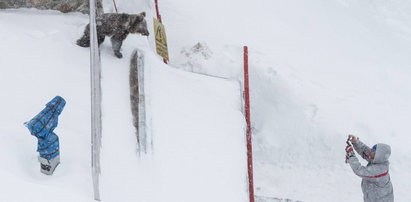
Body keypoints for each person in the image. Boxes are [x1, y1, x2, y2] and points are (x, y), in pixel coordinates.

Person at [345, 134, 394, 202]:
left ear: (378, 156)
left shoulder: (380, 171)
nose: (370, 151)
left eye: (373, 151)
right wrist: (355, 142)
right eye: (371, 149)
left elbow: (359, 170)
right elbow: (365, 151)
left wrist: (351, 155)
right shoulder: (378, 160)